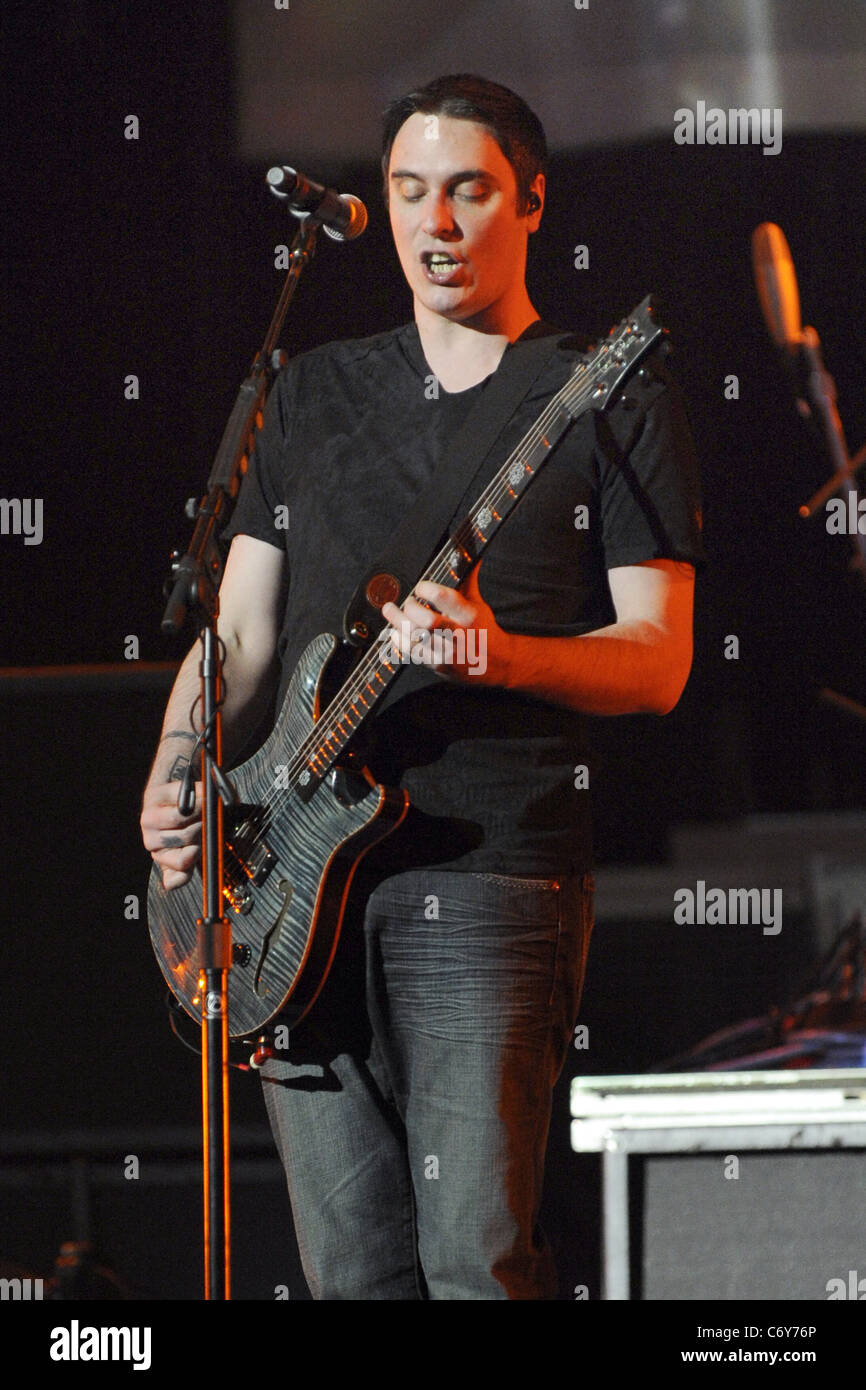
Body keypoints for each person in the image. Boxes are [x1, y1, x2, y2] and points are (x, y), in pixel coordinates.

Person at [140, 74, 704, 1299]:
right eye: (407, 191)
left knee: (474, 1260)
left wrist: (503, 656)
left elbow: (659, 660)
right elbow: (236, 630)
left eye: (467, 191)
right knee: (348, 1272)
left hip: (487, 869)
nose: (433, 221)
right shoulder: (313, 389)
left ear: (531, 202)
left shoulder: (608, 390)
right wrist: (175, 771)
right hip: (285, 880)